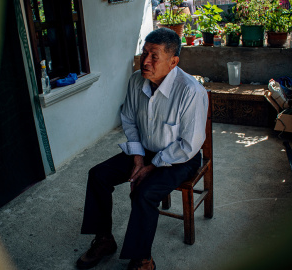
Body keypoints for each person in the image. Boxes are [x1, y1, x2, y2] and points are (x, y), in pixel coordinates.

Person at [76, 28, 208, 270]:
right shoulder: (137, 80)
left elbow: (189, 145)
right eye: (144, 53)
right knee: (98, 175)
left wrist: (152, 166)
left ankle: (142, 259)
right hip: (145, 151)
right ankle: (104, 239)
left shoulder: (191, 91)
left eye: (154, 56)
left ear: (173, 61)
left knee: (144, 192)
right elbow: (128, 119)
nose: (145, 61)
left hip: (179, 158)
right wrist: (138, 159)